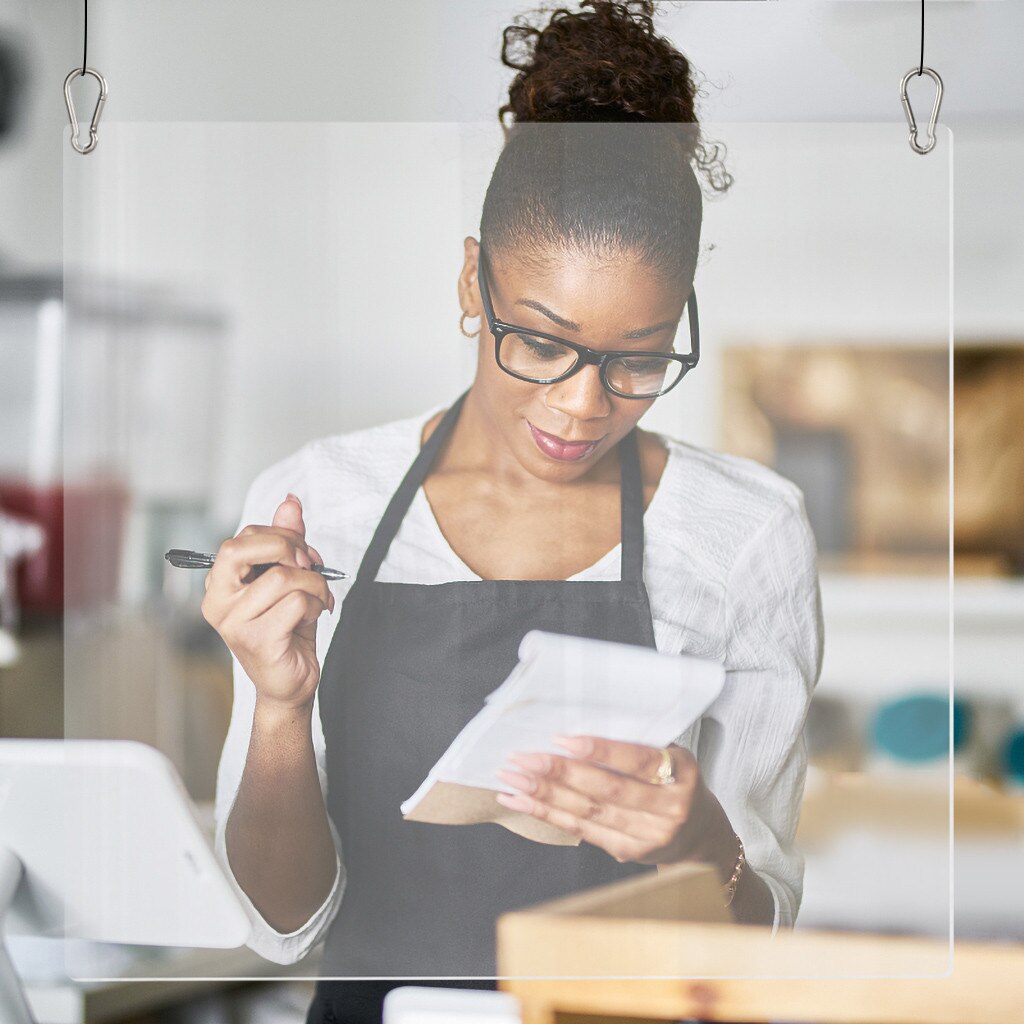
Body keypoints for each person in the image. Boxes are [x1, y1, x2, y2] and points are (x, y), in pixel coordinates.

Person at [204, 2, 824, 1022]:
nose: (581, 405)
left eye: (637, 360)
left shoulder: (744, 535)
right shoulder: (321, 500)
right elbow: (280, 923)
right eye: (539, 342)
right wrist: (278, 706)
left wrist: (698, 843)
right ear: (471, 284)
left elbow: (758, 935)